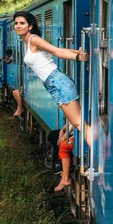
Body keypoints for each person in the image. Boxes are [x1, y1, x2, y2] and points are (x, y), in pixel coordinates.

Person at [13, 10, 92, 145]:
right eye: (16, 23)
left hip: (58, 82)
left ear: (30, 26)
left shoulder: (34, 39)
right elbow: (55, 49)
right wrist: (76, 52)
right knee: (78, 123)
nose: (18, 26)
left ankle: (101, 157)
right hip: (54, 84)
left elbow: (57, 52)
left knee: (79, 124)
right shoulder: (27, 42)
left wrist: (78, 57)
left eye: (22, 23)